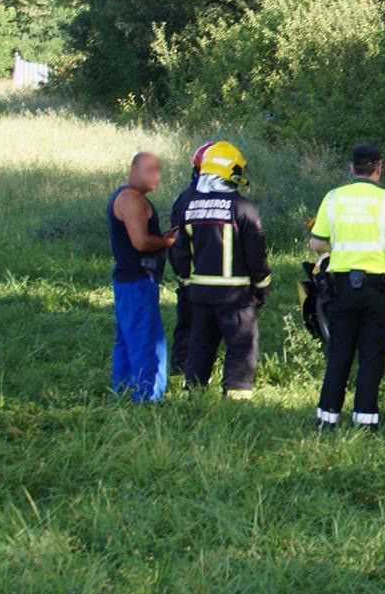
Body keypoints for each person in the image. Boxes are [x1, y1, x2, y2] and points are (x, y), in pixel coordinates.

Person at [309, 143, 385, 432]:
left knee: (339, 352)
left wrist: (338, 245)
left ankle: (327, 417)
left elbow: (316, 244)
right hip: (378, 290)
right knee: (371, 355)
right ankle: (365, 421)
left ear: (351, 169)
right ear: (378, 168)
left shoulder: (334, 198)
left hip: (342, 288)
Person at [168, 141, 270, 399]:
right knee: (241, 346)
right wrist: (262, 287)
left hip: (200, 295)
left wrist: (186, 281)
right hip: (236, 296)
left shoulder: (190, 206)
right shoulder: (243, 208)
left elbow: (179, 250)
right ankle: (236, 400)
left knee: (200, 345)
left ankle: (193, 395)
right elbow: (256, 254)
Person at [107, 152, 179, 402]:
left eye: (158, 170)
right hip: (137, 280)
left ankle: (124, 389)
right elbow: (141, 242)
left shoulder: (129, 197)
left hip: (130, 280)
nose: (156, 175)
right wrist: (167, 241)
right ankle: (149, 397)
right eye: (149, 169)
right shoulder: (131, 198)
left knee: (128, 338)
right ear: (133, 169)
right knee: (147, 339)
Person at [168, 142, 215, 376]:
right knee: (189, 325)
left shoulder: (188, 196)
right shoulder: (189, 199)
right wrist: (184, 276)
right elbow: (177, 241)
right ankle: (181, 368)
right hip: (196, 275)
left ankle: (190, 366)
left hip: (203, 275)